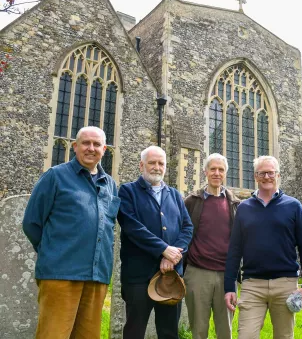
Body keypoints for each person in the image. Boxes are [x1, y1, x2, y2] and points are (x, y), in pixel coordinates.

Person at [22, 126, 120, 339]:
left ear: (105, 149)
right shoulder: (55, 177)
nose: (91, 148)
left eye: (96, 144)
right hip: (61, 274)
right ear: (75, 146)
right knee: (53, 335)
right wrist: (53, 252)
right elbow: (32, 222)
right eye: (86, 143)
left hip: (97, 276)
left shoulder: (110, 185)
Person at [224, 155, 302, 339]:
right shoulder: (243, 208)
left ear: (278, 175)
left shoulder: (293, 206)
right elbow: (235, 249)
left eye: (270, 173)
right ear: (255, 177)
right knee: (246, 335)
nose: (267, 177)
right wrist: (229, 286)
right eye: (262, 173)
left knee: (284, 336)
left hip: (285, 285)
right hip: (252, 285)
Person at [117, 146, 193, 339]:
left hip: (171, 276)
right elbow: (132, 227)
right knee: (135, 331)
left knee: (169, 332)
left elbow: (187, 228)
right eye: (152, 163)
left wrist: (173, 257)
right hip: (138, 276)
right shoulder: (127, 191)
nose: (157, 167)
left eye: (161, 163)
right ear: (142, 165)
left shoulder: (175, 195)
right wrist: (163, 250)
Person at [183, 153, 240, 339]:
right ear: (205, 172)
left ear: (225, 174)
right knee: (199, 330)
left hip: (227, 276)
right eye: (213, 169)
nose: (217, 173)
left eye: (221, 170)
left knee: (225, 331)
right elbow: (181, 233)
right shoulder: (191, 201)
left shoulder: (235, 204)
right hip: (198, 273)